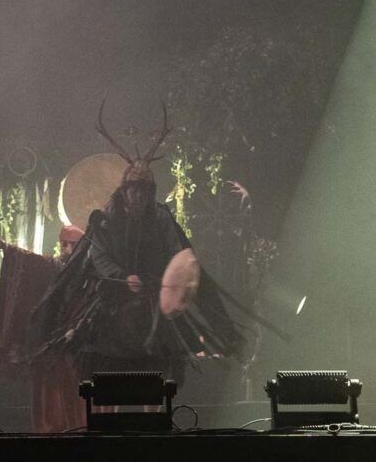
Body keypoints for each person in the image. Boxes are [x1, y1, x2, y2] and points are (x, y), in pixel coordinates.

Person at [31, 156, 247, 390]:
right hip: (115, 291)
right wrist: (123, 277)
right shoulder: (106, 218)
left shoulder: (161, 217)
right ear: (125, 190)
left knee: (166, 355)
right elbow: (99, 255)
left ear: (150, 192)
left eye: (144, 190)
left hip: (154, 291)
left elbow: (176, 252)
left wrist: (173, 275)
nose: (138, 196)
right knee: (95, 343)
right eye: (134, 189)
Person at [0, 223, 86, 432]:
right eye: (63, 243)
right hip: (52, 339)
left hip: (81, 340)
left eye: (72, 244)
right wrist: (3, 245)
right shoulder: (53, 266)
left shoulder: (91, 270)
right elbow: (30, 261)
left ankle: (81, 428)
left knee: (78, 387)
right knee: (48, 384)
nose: (66, 247)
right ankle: (50, 430)